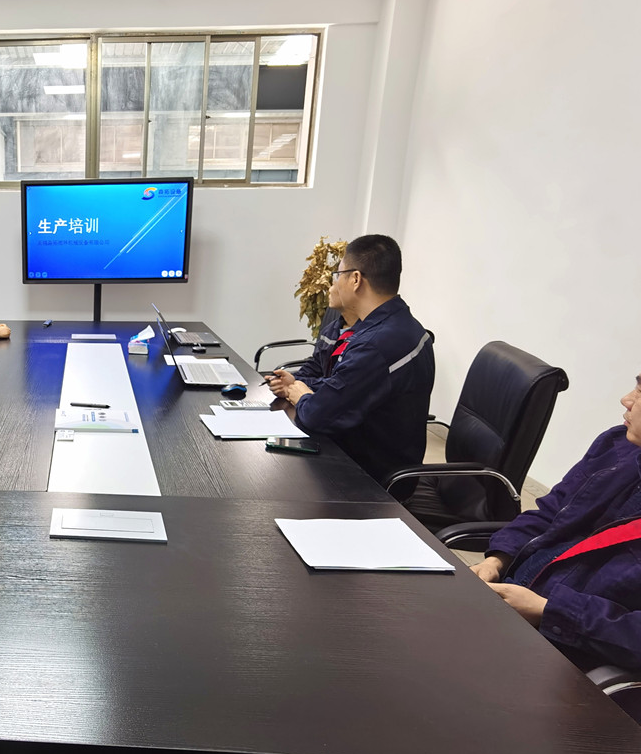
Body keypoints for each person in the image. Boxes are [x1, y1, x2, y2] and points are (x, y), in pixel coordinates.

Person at [469, 376, 641, 671]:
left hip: (571, 656)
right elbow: (551, 511)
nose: (626, 400)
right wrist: (497, 560)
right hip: (515, 607)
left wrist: (548, 610)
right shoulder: (615, 446)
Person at [266, 234, 433, 483]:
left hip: (371, 480)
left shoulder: (376, 345)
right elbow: (346, 385)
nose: (335, 282)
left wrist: (301, 394)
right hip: (368, 456)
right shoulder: (398, 325)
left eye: (338, 274)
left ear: (355, 279)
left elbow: (317, 415)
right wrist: (302, 387)